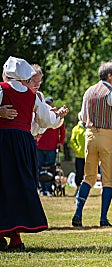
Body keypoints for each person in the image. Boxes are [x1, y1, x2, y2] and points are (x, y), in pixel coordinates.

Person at [0, 56, 68, 251]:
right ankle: (15, 238)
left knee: (4, 185)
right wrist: (58, 117)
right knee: (20, 185)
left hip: (4, 141)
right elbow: (46, 121)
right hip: (24, 143)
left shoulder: (2, 89)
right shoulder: (32, 96)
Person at [72, 61, 112, 227]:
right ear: (109, 76)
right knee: (108, 179)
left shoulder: (88, 92)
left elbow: (82, 116)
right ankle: (103, 218)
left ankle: (78, 213)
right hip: (107, 135)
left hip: (89, 135)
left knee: (88, 177)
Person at [36, 97, 66, 196]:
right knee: (39, 168)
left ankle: (48, 189)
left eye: (49, 103)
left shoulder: (57, 114)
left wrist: (60, 142)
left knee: (50, 168)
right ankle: (41, 189)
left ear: (52, 104)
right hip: (39, 145)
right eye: (46, 103)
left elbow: (62, 131)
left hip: (52, 147)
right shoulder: (41, 113)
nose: (48, 105)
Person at [70, 112, 86, 196]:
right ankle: (78, 188)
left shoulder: (90, 128)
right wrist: (77, 149)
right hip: (79, 155)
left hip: (89, 155)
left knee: (88, 173)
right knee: (79, 172)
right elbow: (72, 141)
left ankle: (85, 190)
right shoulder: (76, 129)